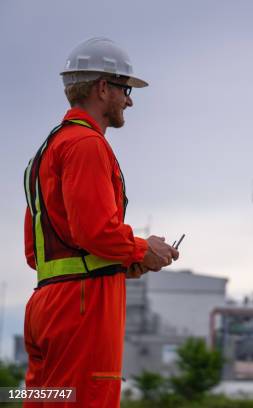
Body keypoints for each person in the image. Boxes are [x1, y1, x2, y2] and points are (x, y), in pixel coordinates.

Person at [22, 37, 178, 407]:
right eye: (125, 89)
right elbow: (94, 231)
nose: (130, 100)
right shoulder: (86, 145)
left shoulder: (47, 150)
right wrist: (143, 248)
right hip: (82, 308)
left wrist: (122, 262)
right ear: (103, 88)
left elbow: (39, 253)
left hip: (47, 303)